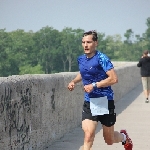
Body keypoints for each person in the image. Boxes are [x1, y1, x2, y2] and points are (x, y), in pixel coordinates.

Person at [67, 30, 133, 150]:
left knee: (109, 140)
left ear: (96, 43)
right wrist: (73, 81)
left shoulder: (102, 58)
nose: (85, 45)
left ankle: (124, 137)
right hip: (89, 101)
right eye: (83, 42)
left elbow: (113, 79)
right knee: (88, 136)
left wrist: (94, 85)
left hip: (105, 101)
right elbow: (83, 73)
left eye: (89, 42)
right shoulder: (81, 59)